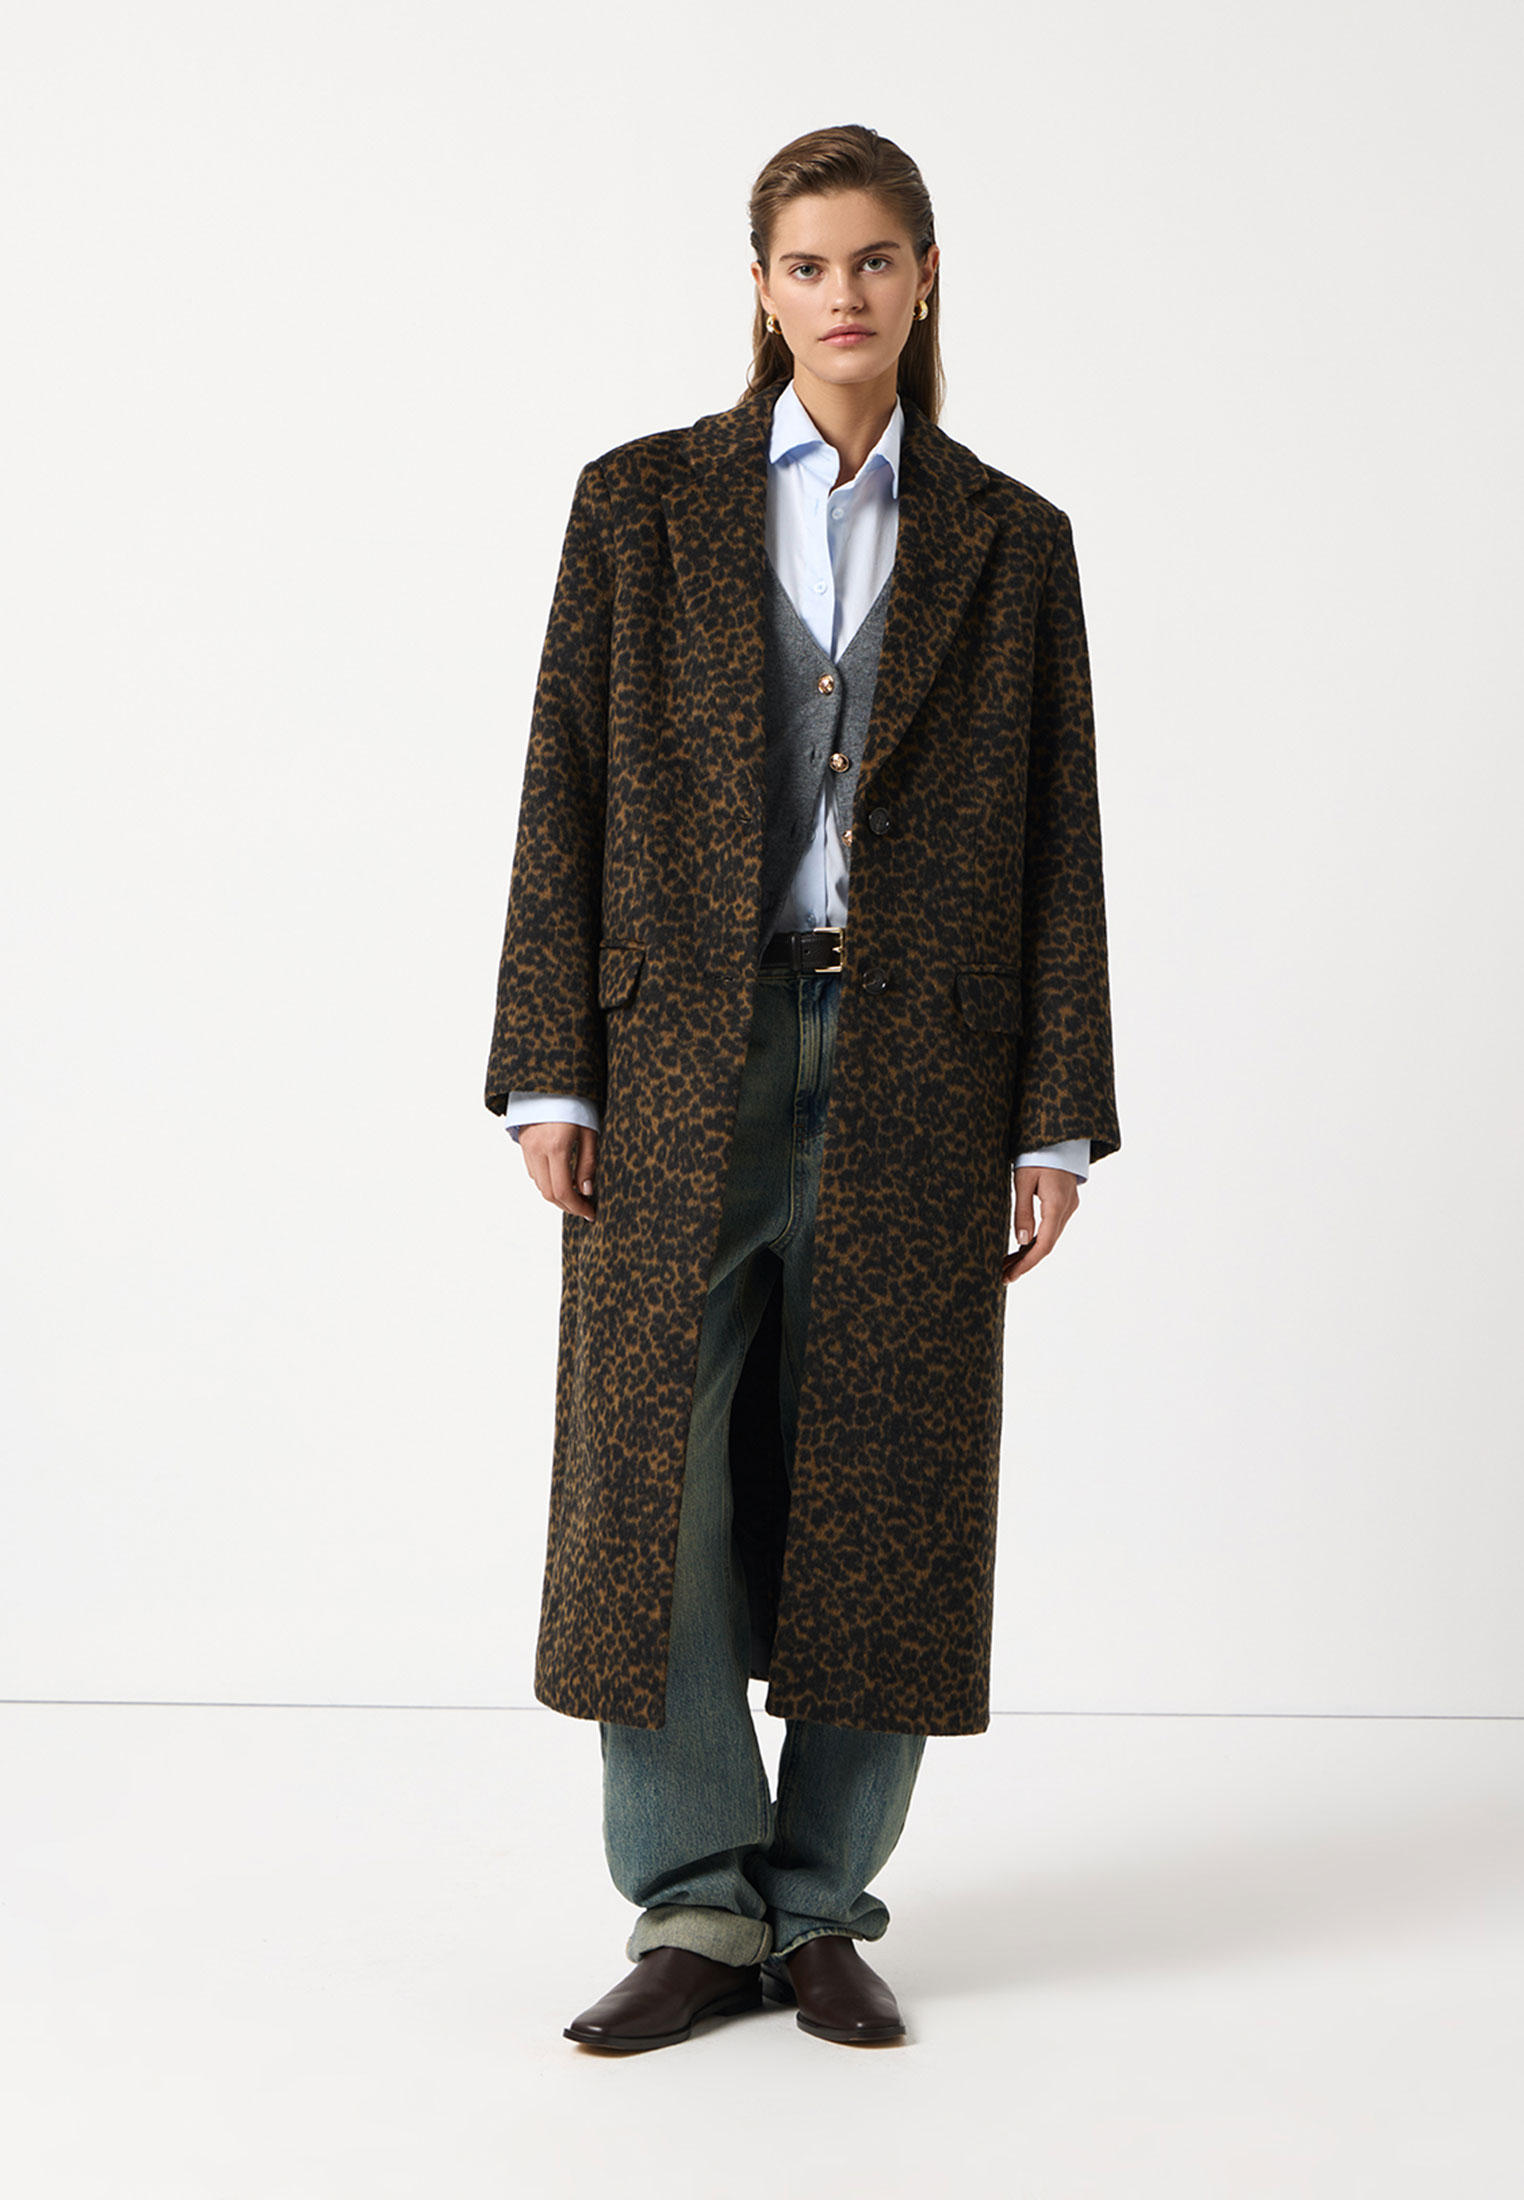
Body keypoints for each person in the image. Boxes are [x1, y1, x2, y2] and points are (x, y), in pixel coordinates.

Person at [483, 122, 1120, 2053]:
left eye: (876, 260)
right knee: (648, 1478)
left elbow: (1061, 837)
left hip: (924, 1057)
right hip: (684, 1049)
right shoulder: (640, 505)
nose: (844, 294)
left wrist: (1053, 1109)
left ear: (925, 280)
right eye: (808, 264)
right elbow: (566, 784)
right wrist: (550, 1070)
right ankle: (697, 1900)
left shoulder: (1012, 539)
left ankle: (825, 1903)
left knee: (889, 1471)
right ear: (760, 290)